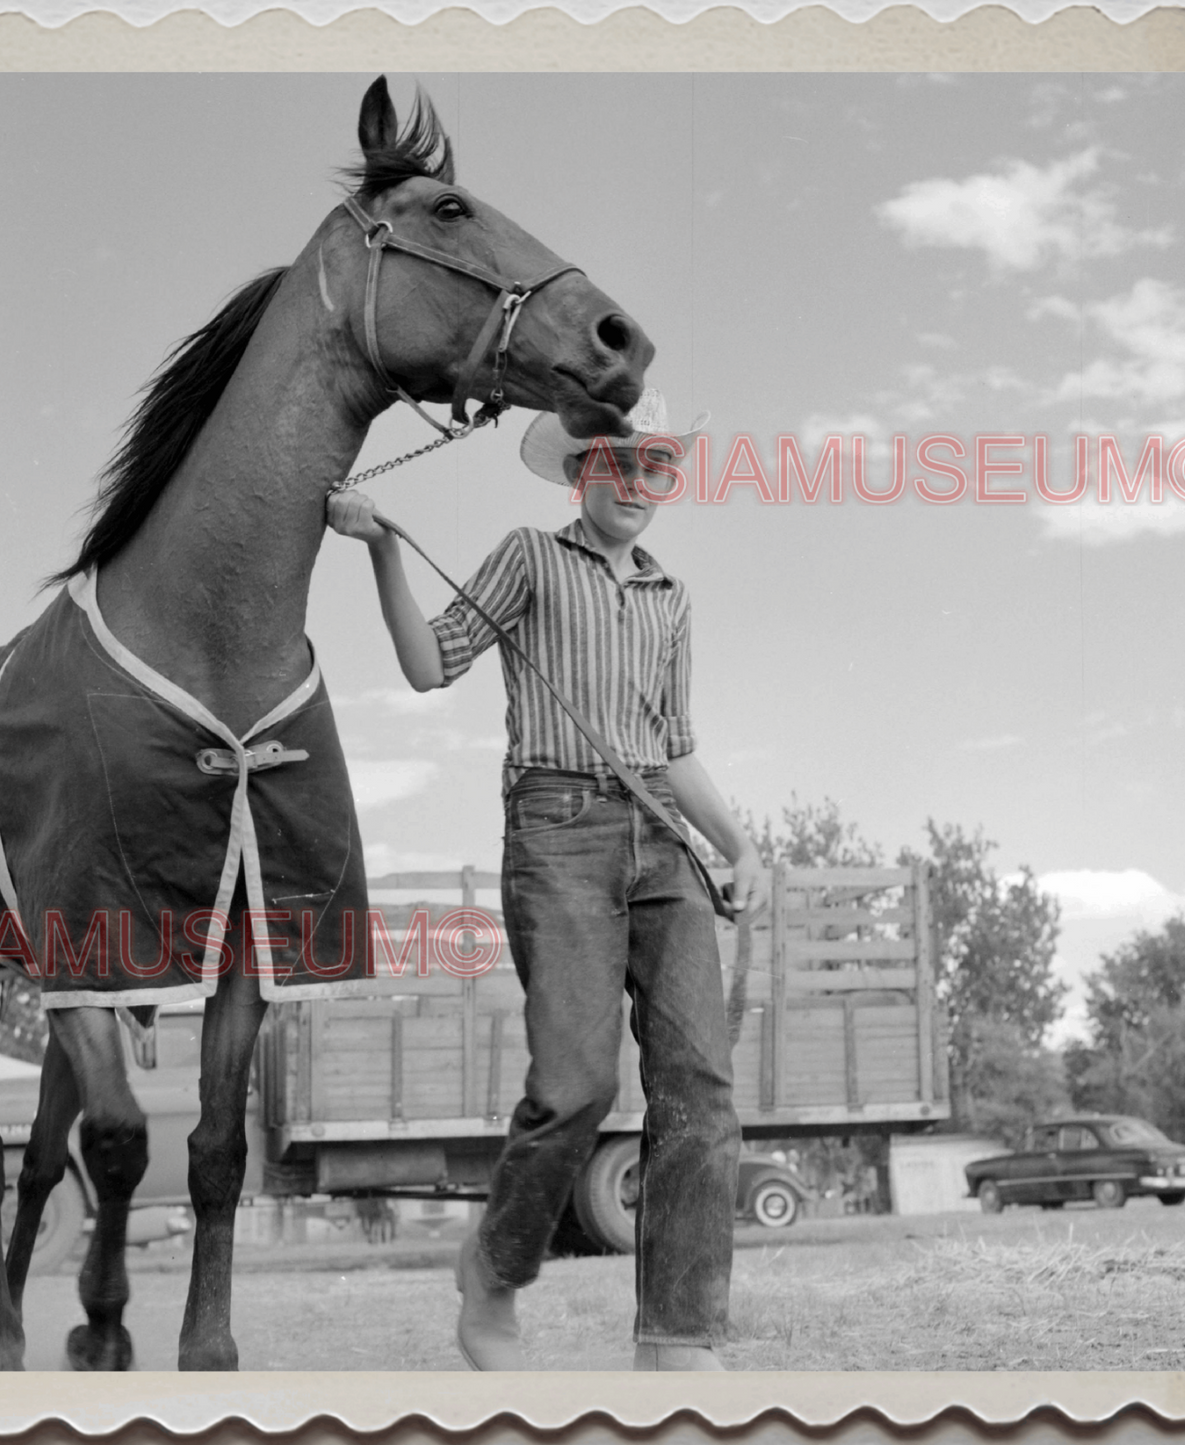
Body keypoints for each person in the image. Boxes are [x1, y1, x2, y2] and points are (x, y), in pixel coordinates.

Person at [327, 389, 769, 1371]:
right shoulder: (529, 554)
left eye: (657, 465)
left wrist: (737, 845)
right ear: (580, 469)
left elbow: (674, 747)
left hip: (661, 842)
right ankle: (491, 1268)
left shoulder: (670, 598)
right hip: (555, 830)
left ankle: (676, 1337)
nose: (638, 481)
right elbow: (427, 662)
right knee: (575, 1084)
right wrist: (378, 548)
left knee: (698, 1087)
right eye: (618, 461)